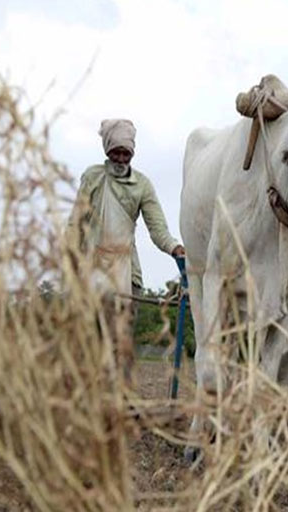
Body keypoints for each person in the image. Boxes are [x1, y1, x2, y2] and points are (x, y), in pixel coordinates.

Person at [67, 118, 184, 380]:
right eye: (116, 153)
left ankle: (119, 401)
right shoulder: (93, 178)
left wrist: (174, 247)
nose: (120, 159)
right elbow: (75, 224)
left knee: (121, 346)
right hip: (91, 272)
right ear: (107, 151)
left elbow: (157, 229)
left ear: (132, 153)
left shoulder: (142, 185)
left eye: (125, 153)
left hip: (126, 276)